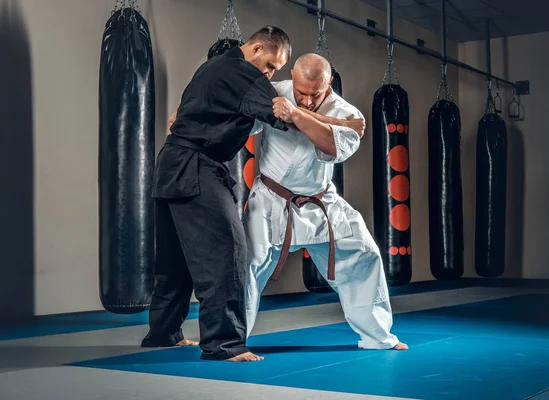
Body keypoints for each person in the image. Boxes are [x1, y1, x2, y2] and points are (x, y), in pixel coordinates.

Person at [141, 26, 293, 362]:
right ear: (254, 49)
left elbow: (183, 115)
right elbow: (279, 114)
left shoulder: (212, 66)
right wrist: (328, 121)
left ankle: (164, 333)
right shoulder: (241, 71)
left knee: (174, 259)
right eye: (269, 64)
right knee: (227, 251)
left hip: (169, 164)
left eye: (275, 71)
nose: (269, 74)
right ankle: (225, 344)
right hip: (197, 166)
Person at [243, 53, 409, 352]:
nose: (306, 100)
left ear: (329, 82)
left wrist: (295, 115)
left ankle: (378, 337)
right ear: (291, 76)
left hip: (319, 201)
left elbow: (332, 144)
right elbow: (237, 120)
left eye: (314, 94)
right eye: (301, 93)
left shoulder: (345, 112)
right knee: (246, 266)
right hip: (271, 199)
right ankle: (231, 341)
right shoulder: (272, 94)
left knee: (364, 255)